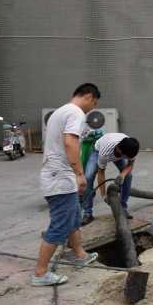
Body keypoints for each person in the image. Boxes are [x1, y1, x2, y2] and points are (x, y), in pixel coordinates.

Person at [31, 83, 101, 286]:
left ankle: (80, 255)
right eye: (94, 104)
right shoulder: (75, 112)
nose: (91, 109)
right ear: (88, 97)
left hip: (57, 174)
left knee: (73, 219)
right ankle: (40, 273)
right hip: (60, 177)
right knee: (60, 225)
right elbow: (70, 142)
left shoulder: (60, 112)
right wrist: (80, 173)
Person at [81, 133, 140, 226]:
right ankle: (87, 213)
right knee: (88, 177)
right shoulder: (105, 152)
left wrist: (122, 175)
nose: (127, 158)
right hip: (98, 151)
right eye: (126, 157)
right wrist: (104, 195)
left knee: (129, 176)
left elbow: (130, 165)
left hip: (118, 151)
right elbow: (101, 173)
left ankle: (123, 208)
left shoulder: (131, 148)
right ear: (119, 150)